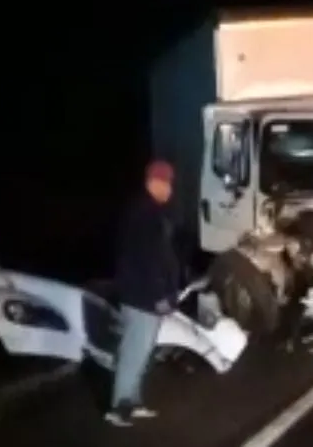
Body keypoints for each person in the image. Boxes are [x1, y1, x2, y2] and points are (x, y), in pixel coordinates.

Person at [105, 160, 181, 427]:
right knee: (134, 351)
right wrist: (159, 295)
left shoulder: (150, 211)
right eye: (168, 182)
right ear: (155, 182)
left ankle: (133, 401)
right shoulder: (144, 213)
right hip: (142, 297)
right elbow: (147, 260)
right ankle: (119, 407)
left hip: (144, 296)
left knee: (143, 351)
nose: (171, 189)